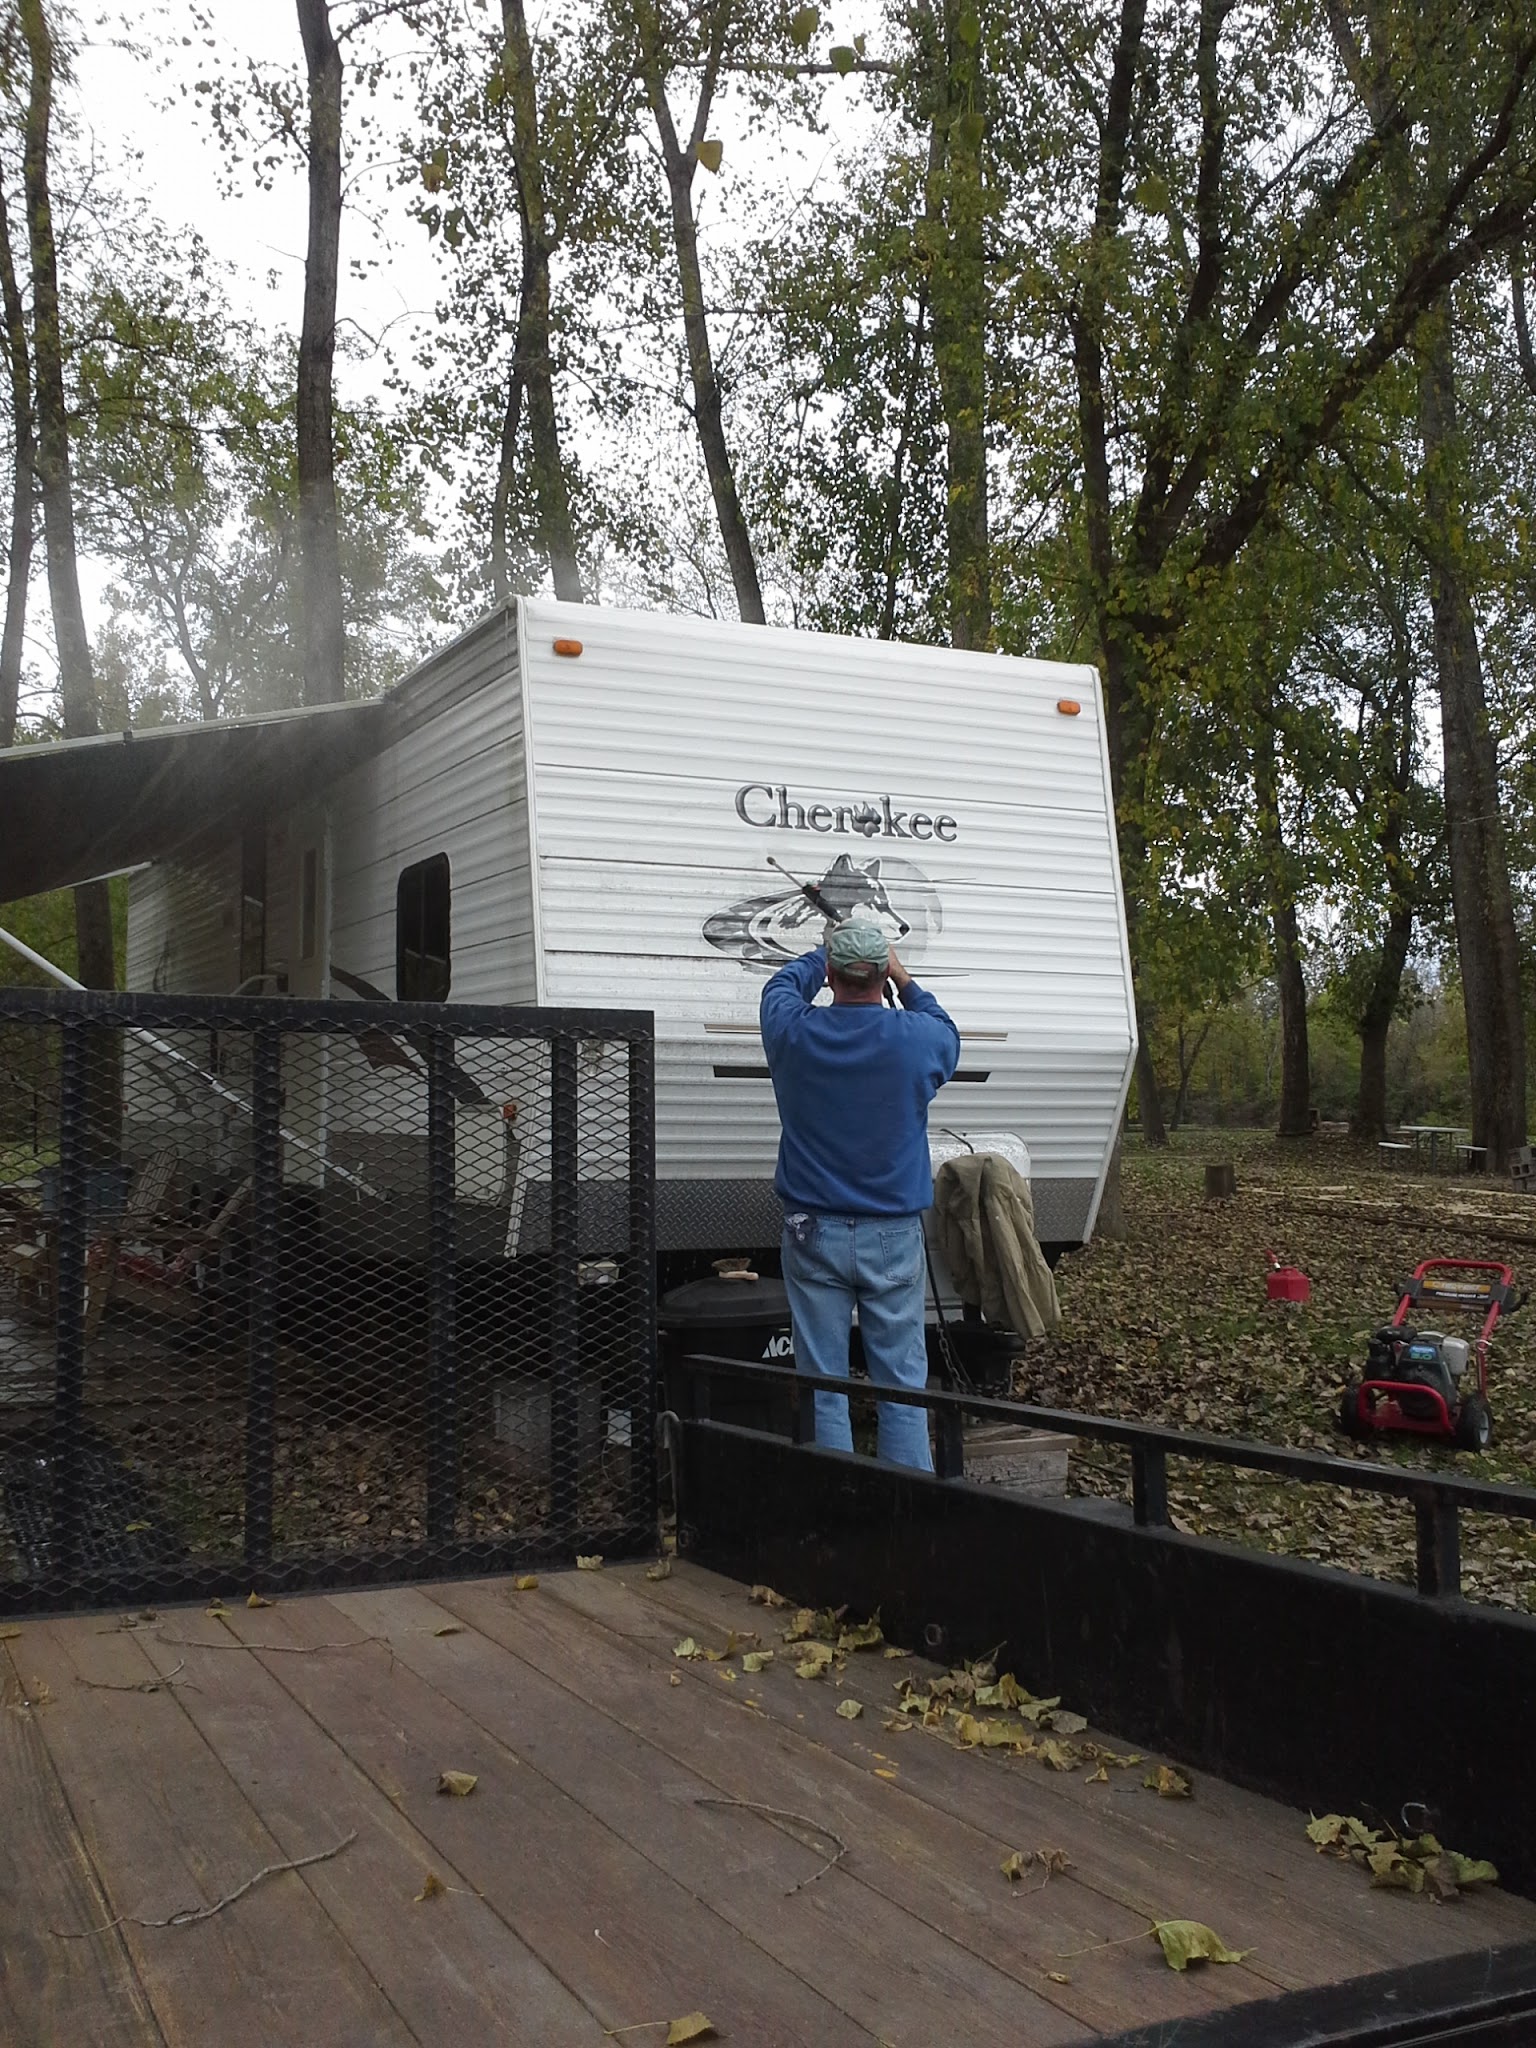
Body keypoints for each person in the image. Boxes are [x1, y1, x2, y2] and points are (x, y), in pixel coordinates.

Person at [760, 919, 960, 1469]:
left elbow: (778, 988)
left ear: (831, 975)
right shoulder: (918, 1040)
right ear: (880, 974)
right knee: (902, 1386)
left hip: (812, 1232)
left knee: (823, 1382)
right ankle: (903, 1516)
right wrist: (904, 977)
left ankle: (837, 1510)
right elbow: (944, 1027)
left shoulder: (793, 1033)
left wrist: (816, 954)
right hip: (893, 1235)